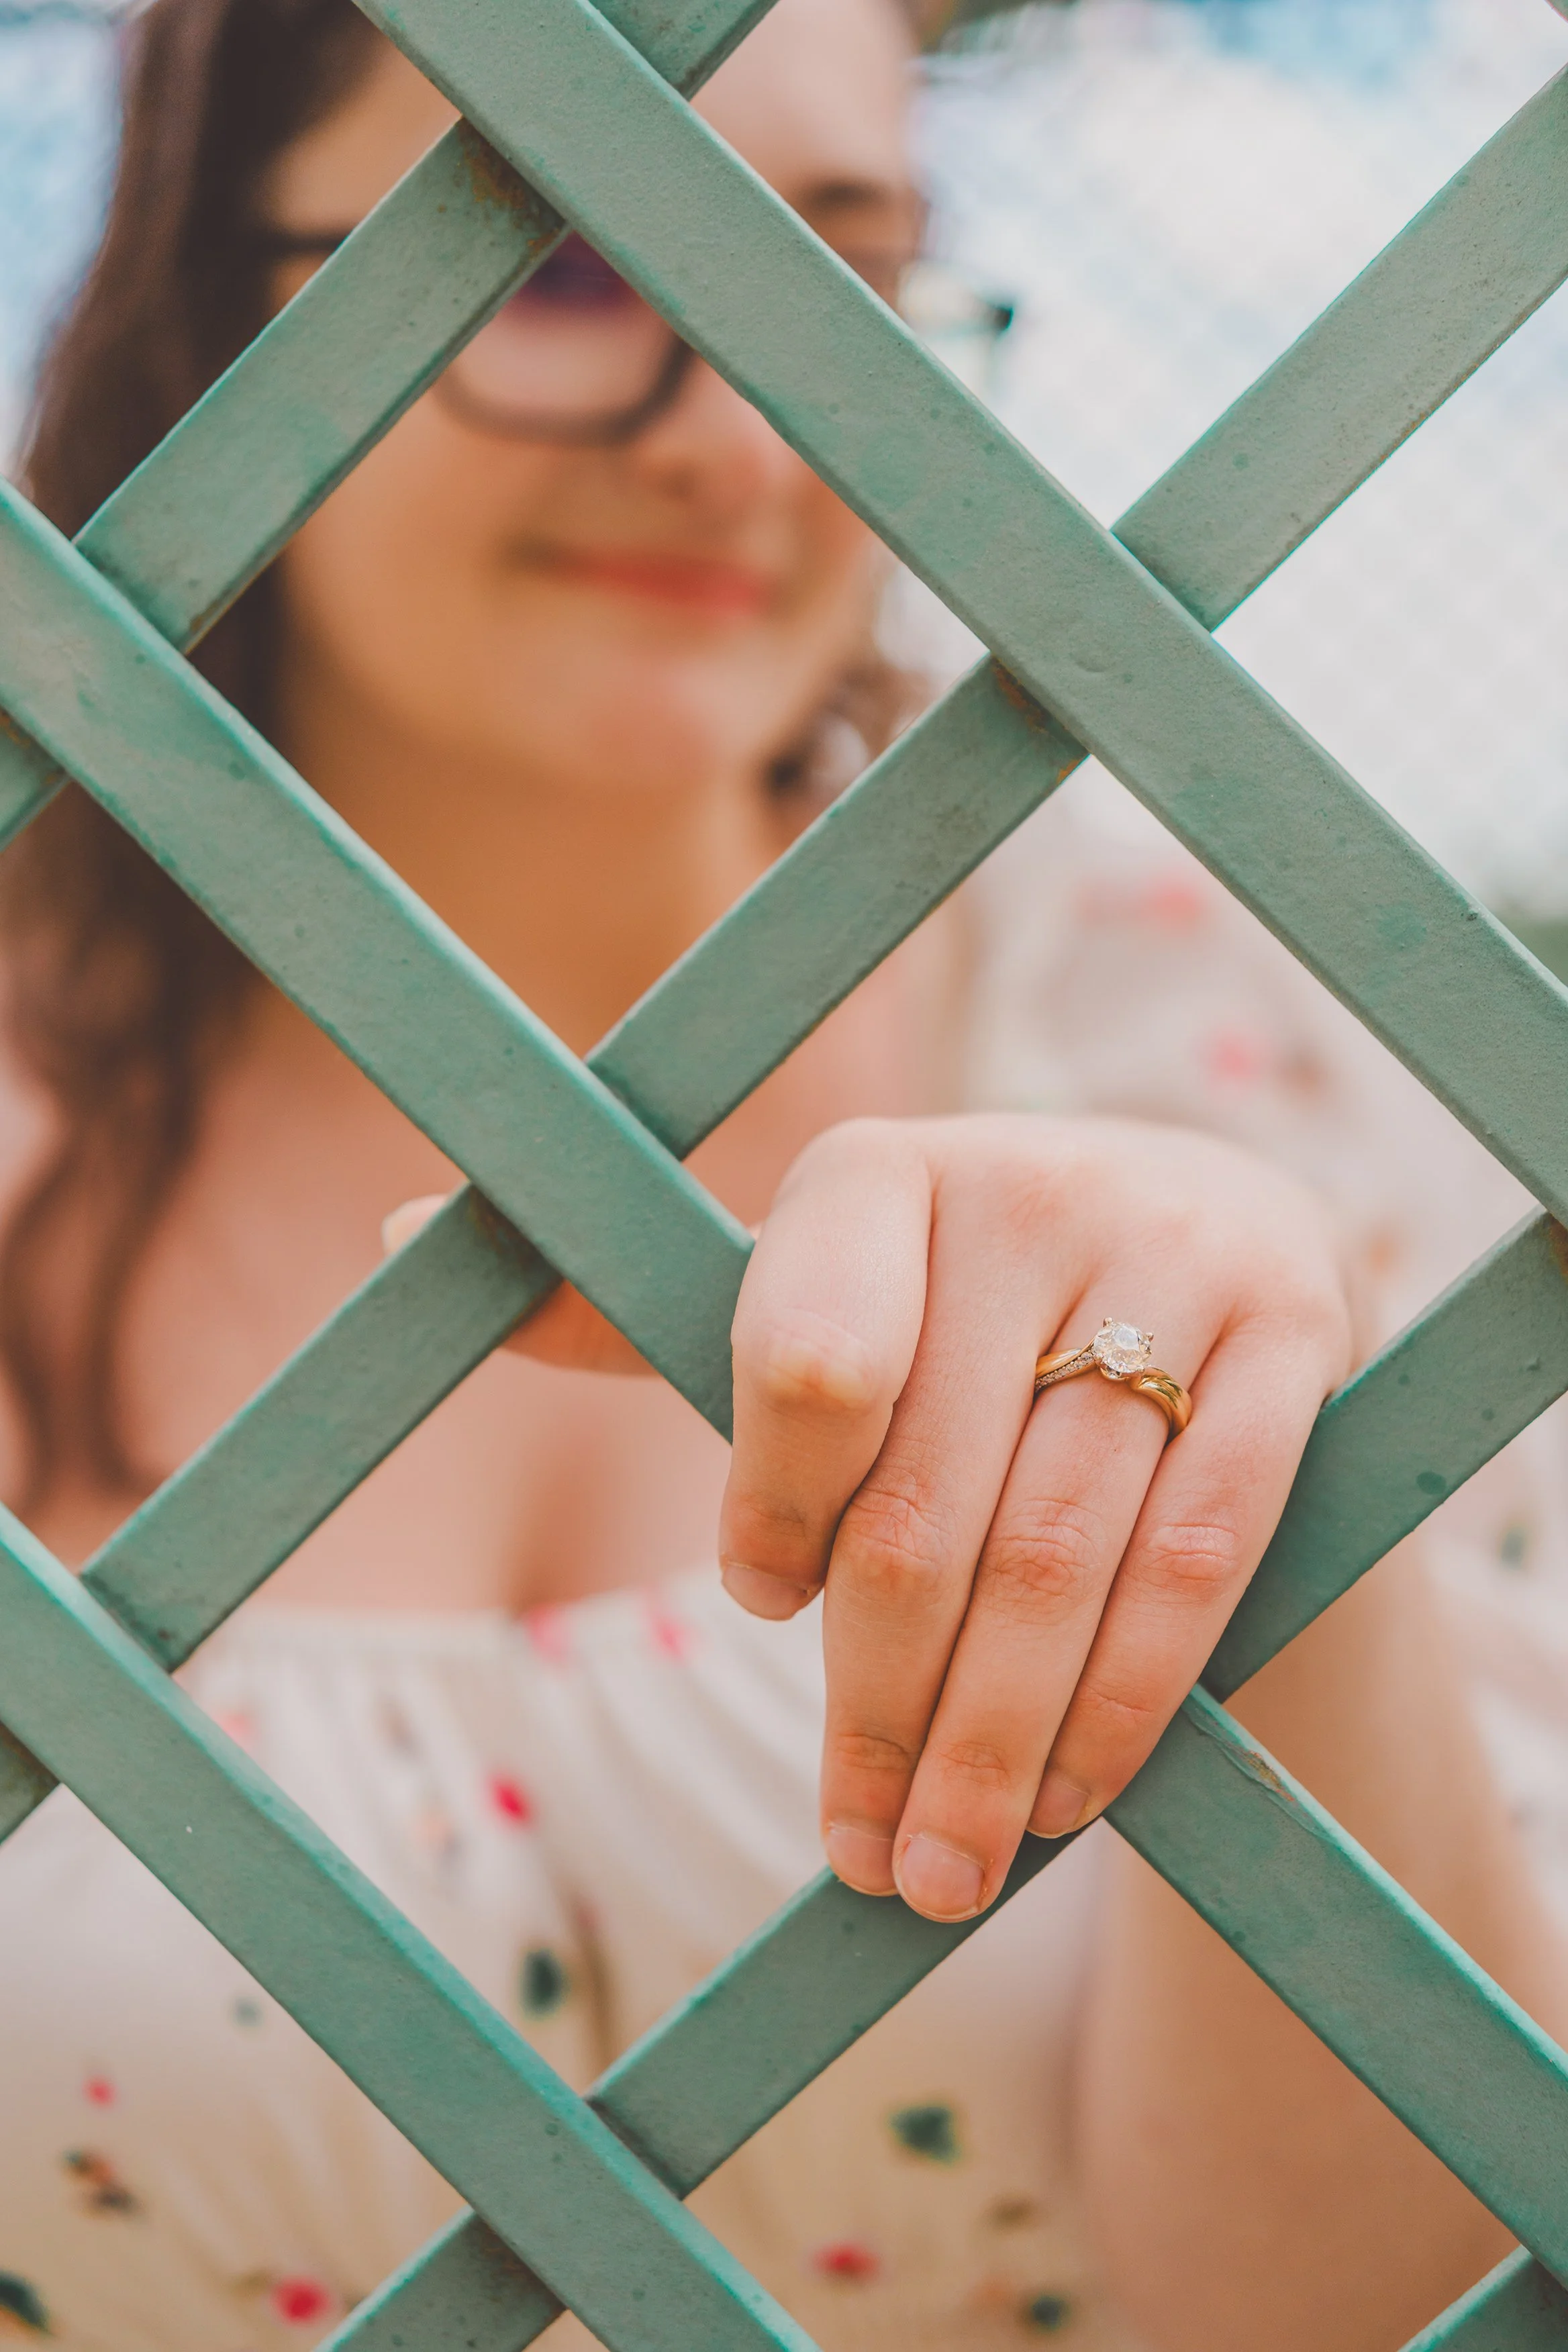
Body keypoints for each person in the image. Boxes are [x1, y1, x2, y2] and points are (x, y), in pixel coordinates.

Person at [0, 0, 1559, 2346]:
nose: (738, 439)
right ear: (217, 313)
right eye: (549, 268)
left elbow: (1404, 2298)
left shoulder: (1230, 1028)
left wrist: (1268, 1492)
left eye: (838, 283)